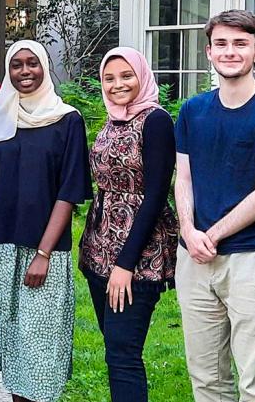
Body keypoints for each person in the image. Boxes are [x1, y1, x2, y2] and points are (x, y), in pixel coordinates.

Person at [174, 10, 255, 402]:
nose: (230, 52)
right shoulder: (193, 110)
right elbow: (184, 178)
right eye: (222, 44)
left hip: (253, 260)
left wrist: (208, 235)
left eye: (240, 44)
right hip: (194, 260)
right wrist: (188, 232)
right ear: (209, 52)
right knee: (207, 380)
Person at [0, 40, 92, 402]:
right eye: (17, 65)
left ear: (44, 68)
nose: (25, 71)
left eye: (33, 63)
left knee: (39, 349)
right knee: (13, 348)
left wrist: (43, 252)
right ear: (8, 72)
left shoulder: (67, 120)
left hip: (45, 251)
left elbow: (69, 193)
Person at [78, 47, 177, 402]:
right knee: (115, 349)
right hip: (98, 252)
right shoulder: (113, 118)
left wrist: (125, 265)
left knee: (123, 355)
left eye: (126, 76)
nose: (117, 84)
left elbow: (154, 196)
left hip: (137, 255)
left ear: (142, 76)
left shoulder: (156, 121)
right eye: (109, 78)